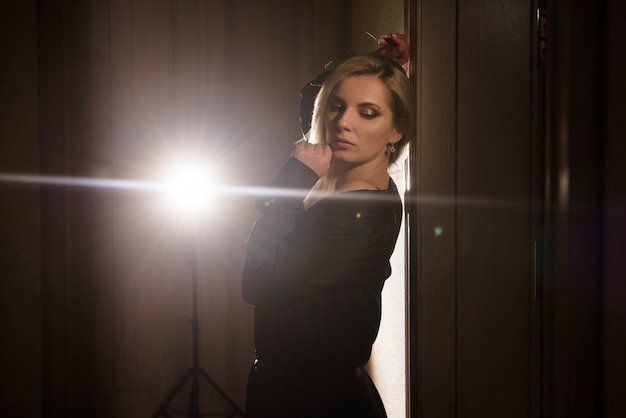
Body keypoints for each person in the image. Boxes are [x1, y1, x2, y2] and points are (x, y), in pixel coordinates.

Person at [241, 33, 414, 418]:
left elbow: (256, 281)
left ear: (397, 129)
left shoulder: (361, 212)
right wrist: (379, 61)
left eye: (368, 112)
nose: (343, 123)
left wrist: (291, 182)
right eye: (338, 108)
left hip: (316, 402)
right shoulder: (341, 175)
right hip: (289, 391)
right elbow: (312, 97)